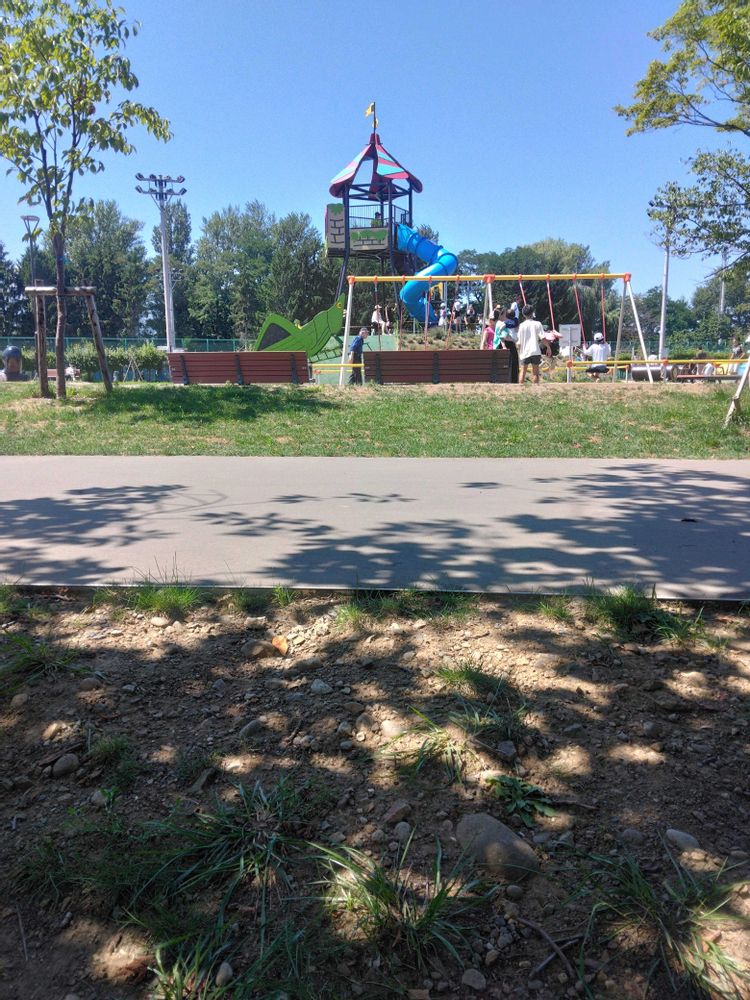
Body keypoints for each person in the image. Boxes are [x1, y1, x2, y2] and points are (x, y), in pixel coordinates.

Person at [516, 303, 545, 384]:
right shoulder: (538, 323)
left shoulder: (521, 325)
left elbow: (518, 342)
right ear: (532, 313)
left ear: (523, 314)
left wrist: (519, 351)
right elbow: (542, 338)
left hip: (524, 351)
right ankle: (535, 389)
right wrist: (548, 347)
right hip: (535, 350)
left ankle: (520, 388)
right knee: (535, 372)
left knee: (523, 371)